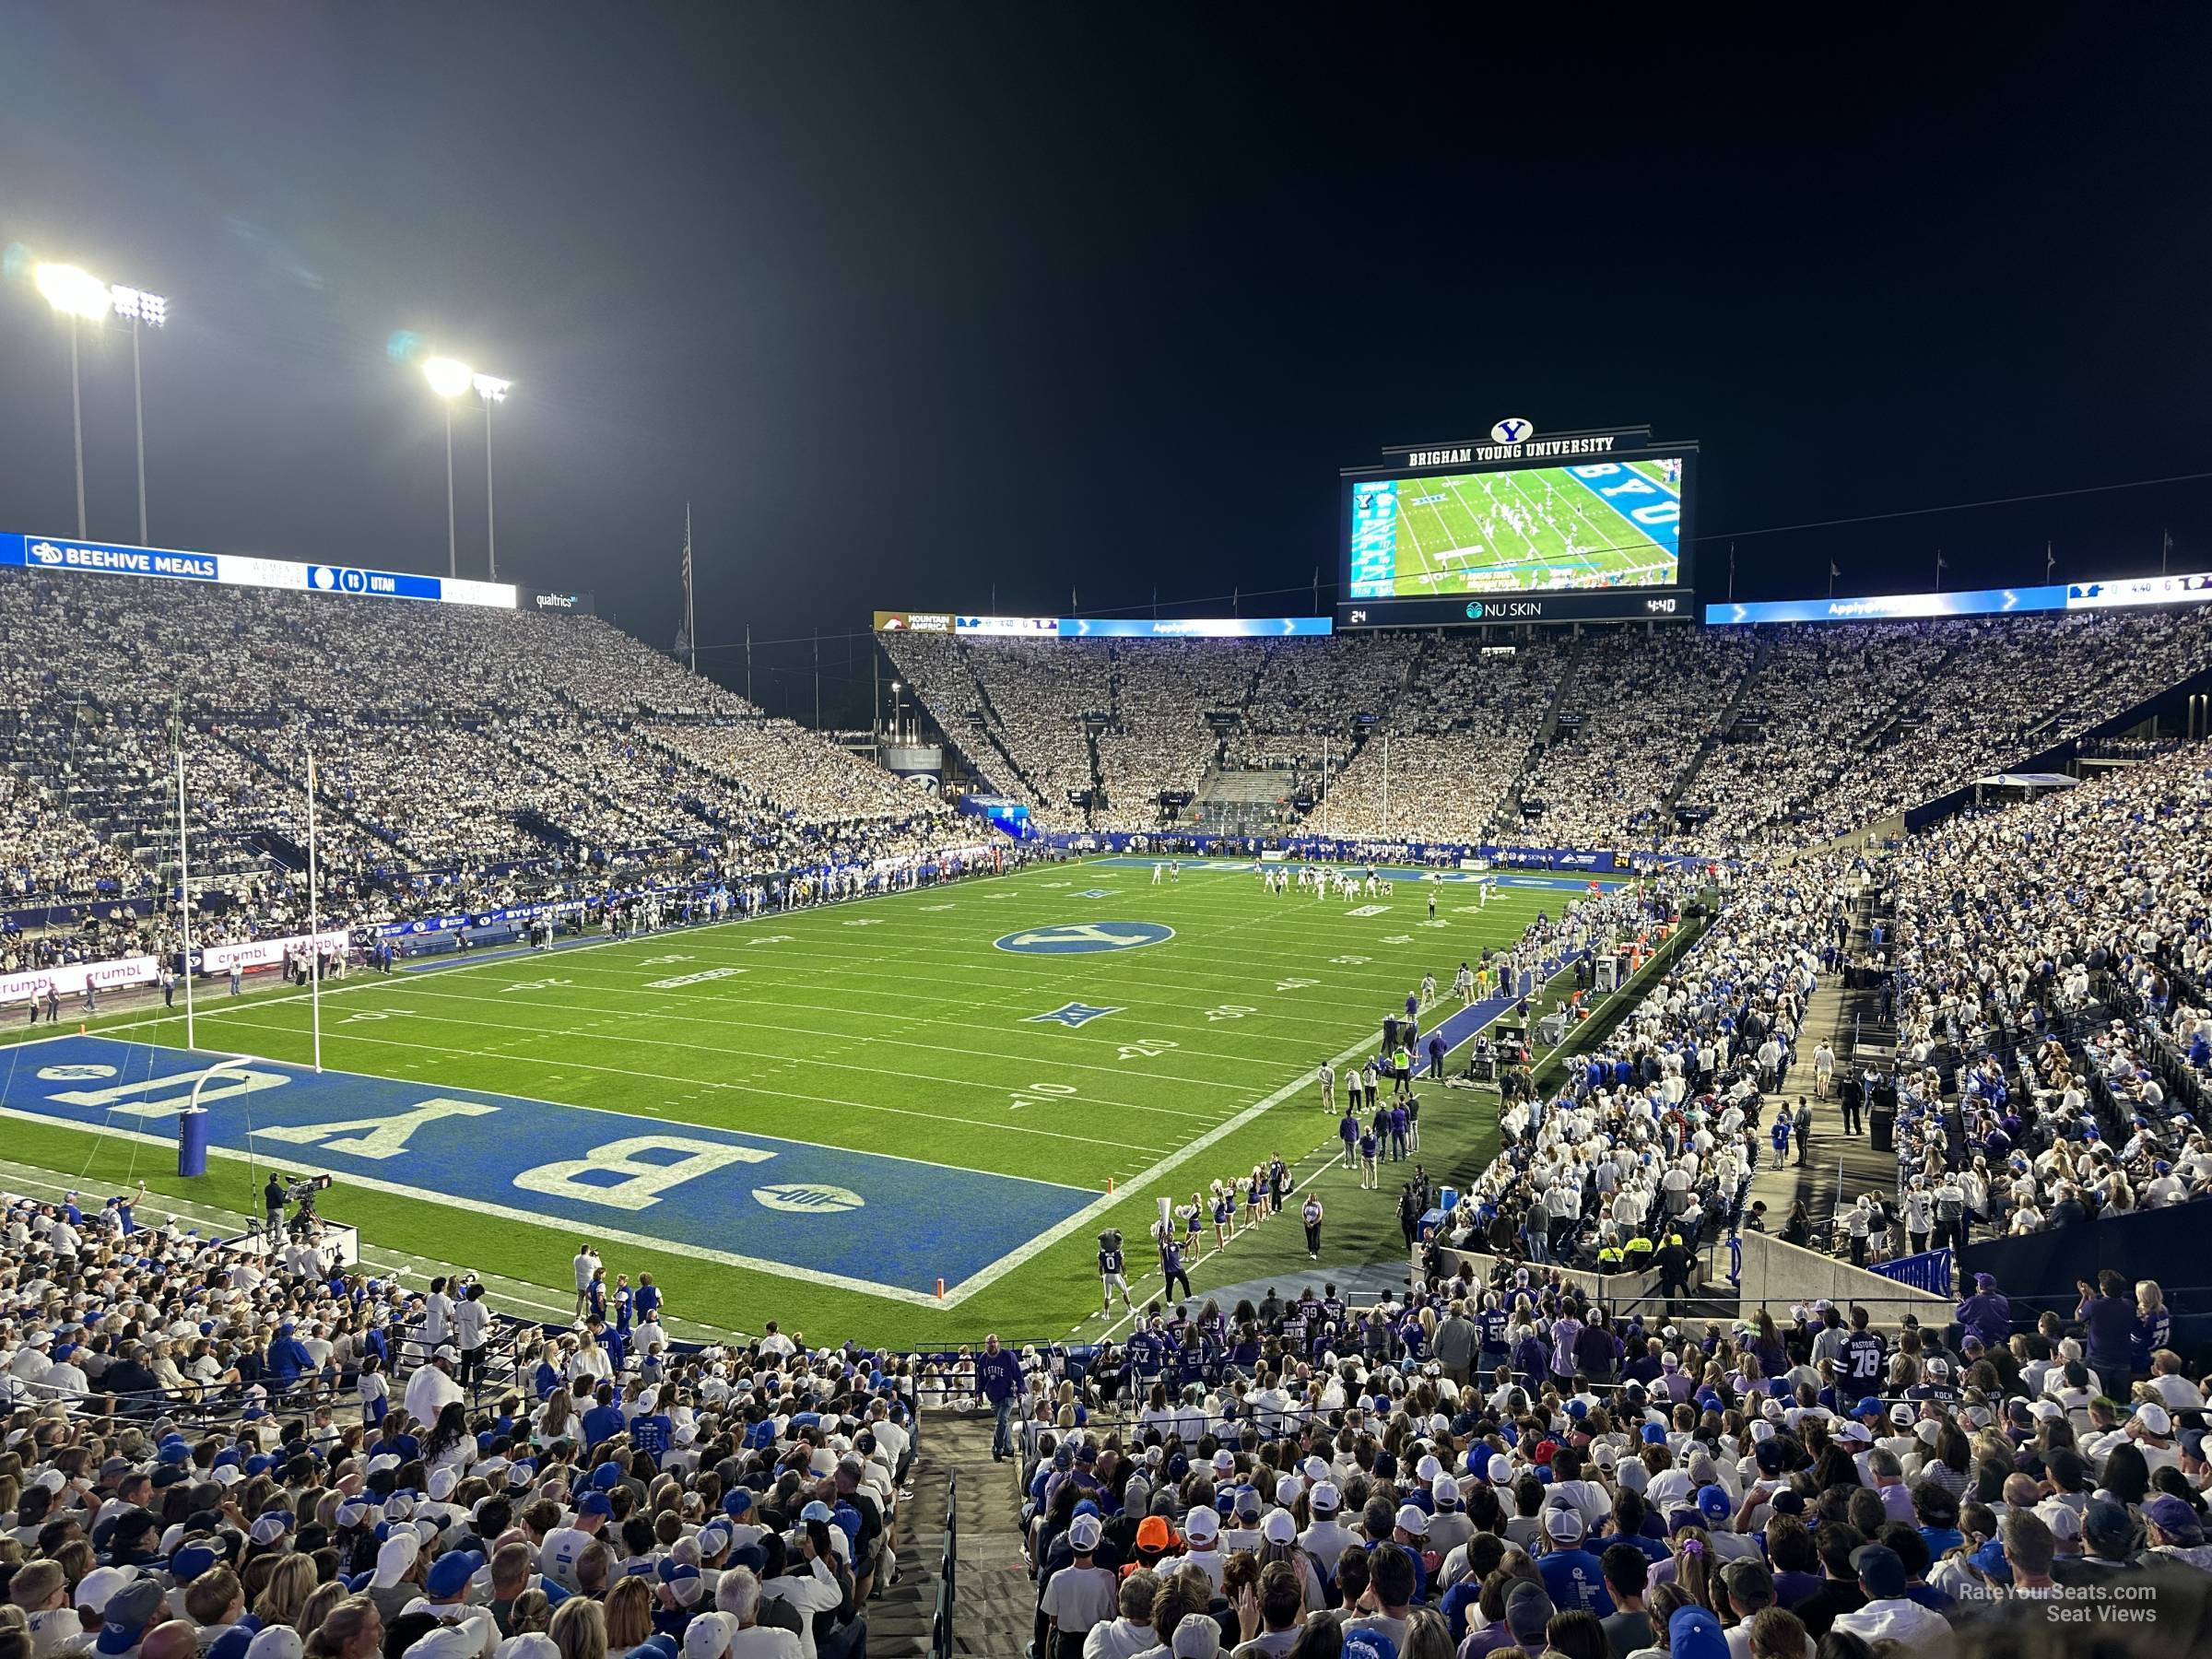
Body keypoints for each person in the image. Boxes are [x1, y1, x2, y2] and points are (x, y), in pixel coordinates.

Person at [976, 1334, 1022, 1463]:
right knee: (1003, 1423)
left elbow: (1018, 1375)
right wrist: (978, 1393)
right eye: (990, 1343)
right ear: (986, 1344)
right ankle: (1008, 1448)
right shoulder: (983, 1359)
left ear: (998, 1343)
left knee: (1001, 1420)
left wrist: (1021, 1391)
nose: (993, 1345)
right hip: (993, 1396)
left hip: (1008, 1394)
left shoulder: (1008, 1356)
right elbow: (981, 1378)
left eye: (995, 1342)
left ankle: (997, 1448)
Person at [1301, 1194, 1324, 1262]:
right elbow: (1303, 1214)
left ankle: (1314, 1253)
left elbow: (1320, 1216)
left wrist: (1313, 1224)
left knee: (1315, 1237)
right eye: (1309, 1197)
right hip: (1307, 1222)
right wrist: (1308, 1223)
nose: (1309, 1199)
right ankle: (1310, 1249)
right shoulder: (1305, 1204)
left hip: (1316, 1222)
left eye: (1311, 1198)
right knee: (1309, 1237)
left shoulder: (1318, 1205)